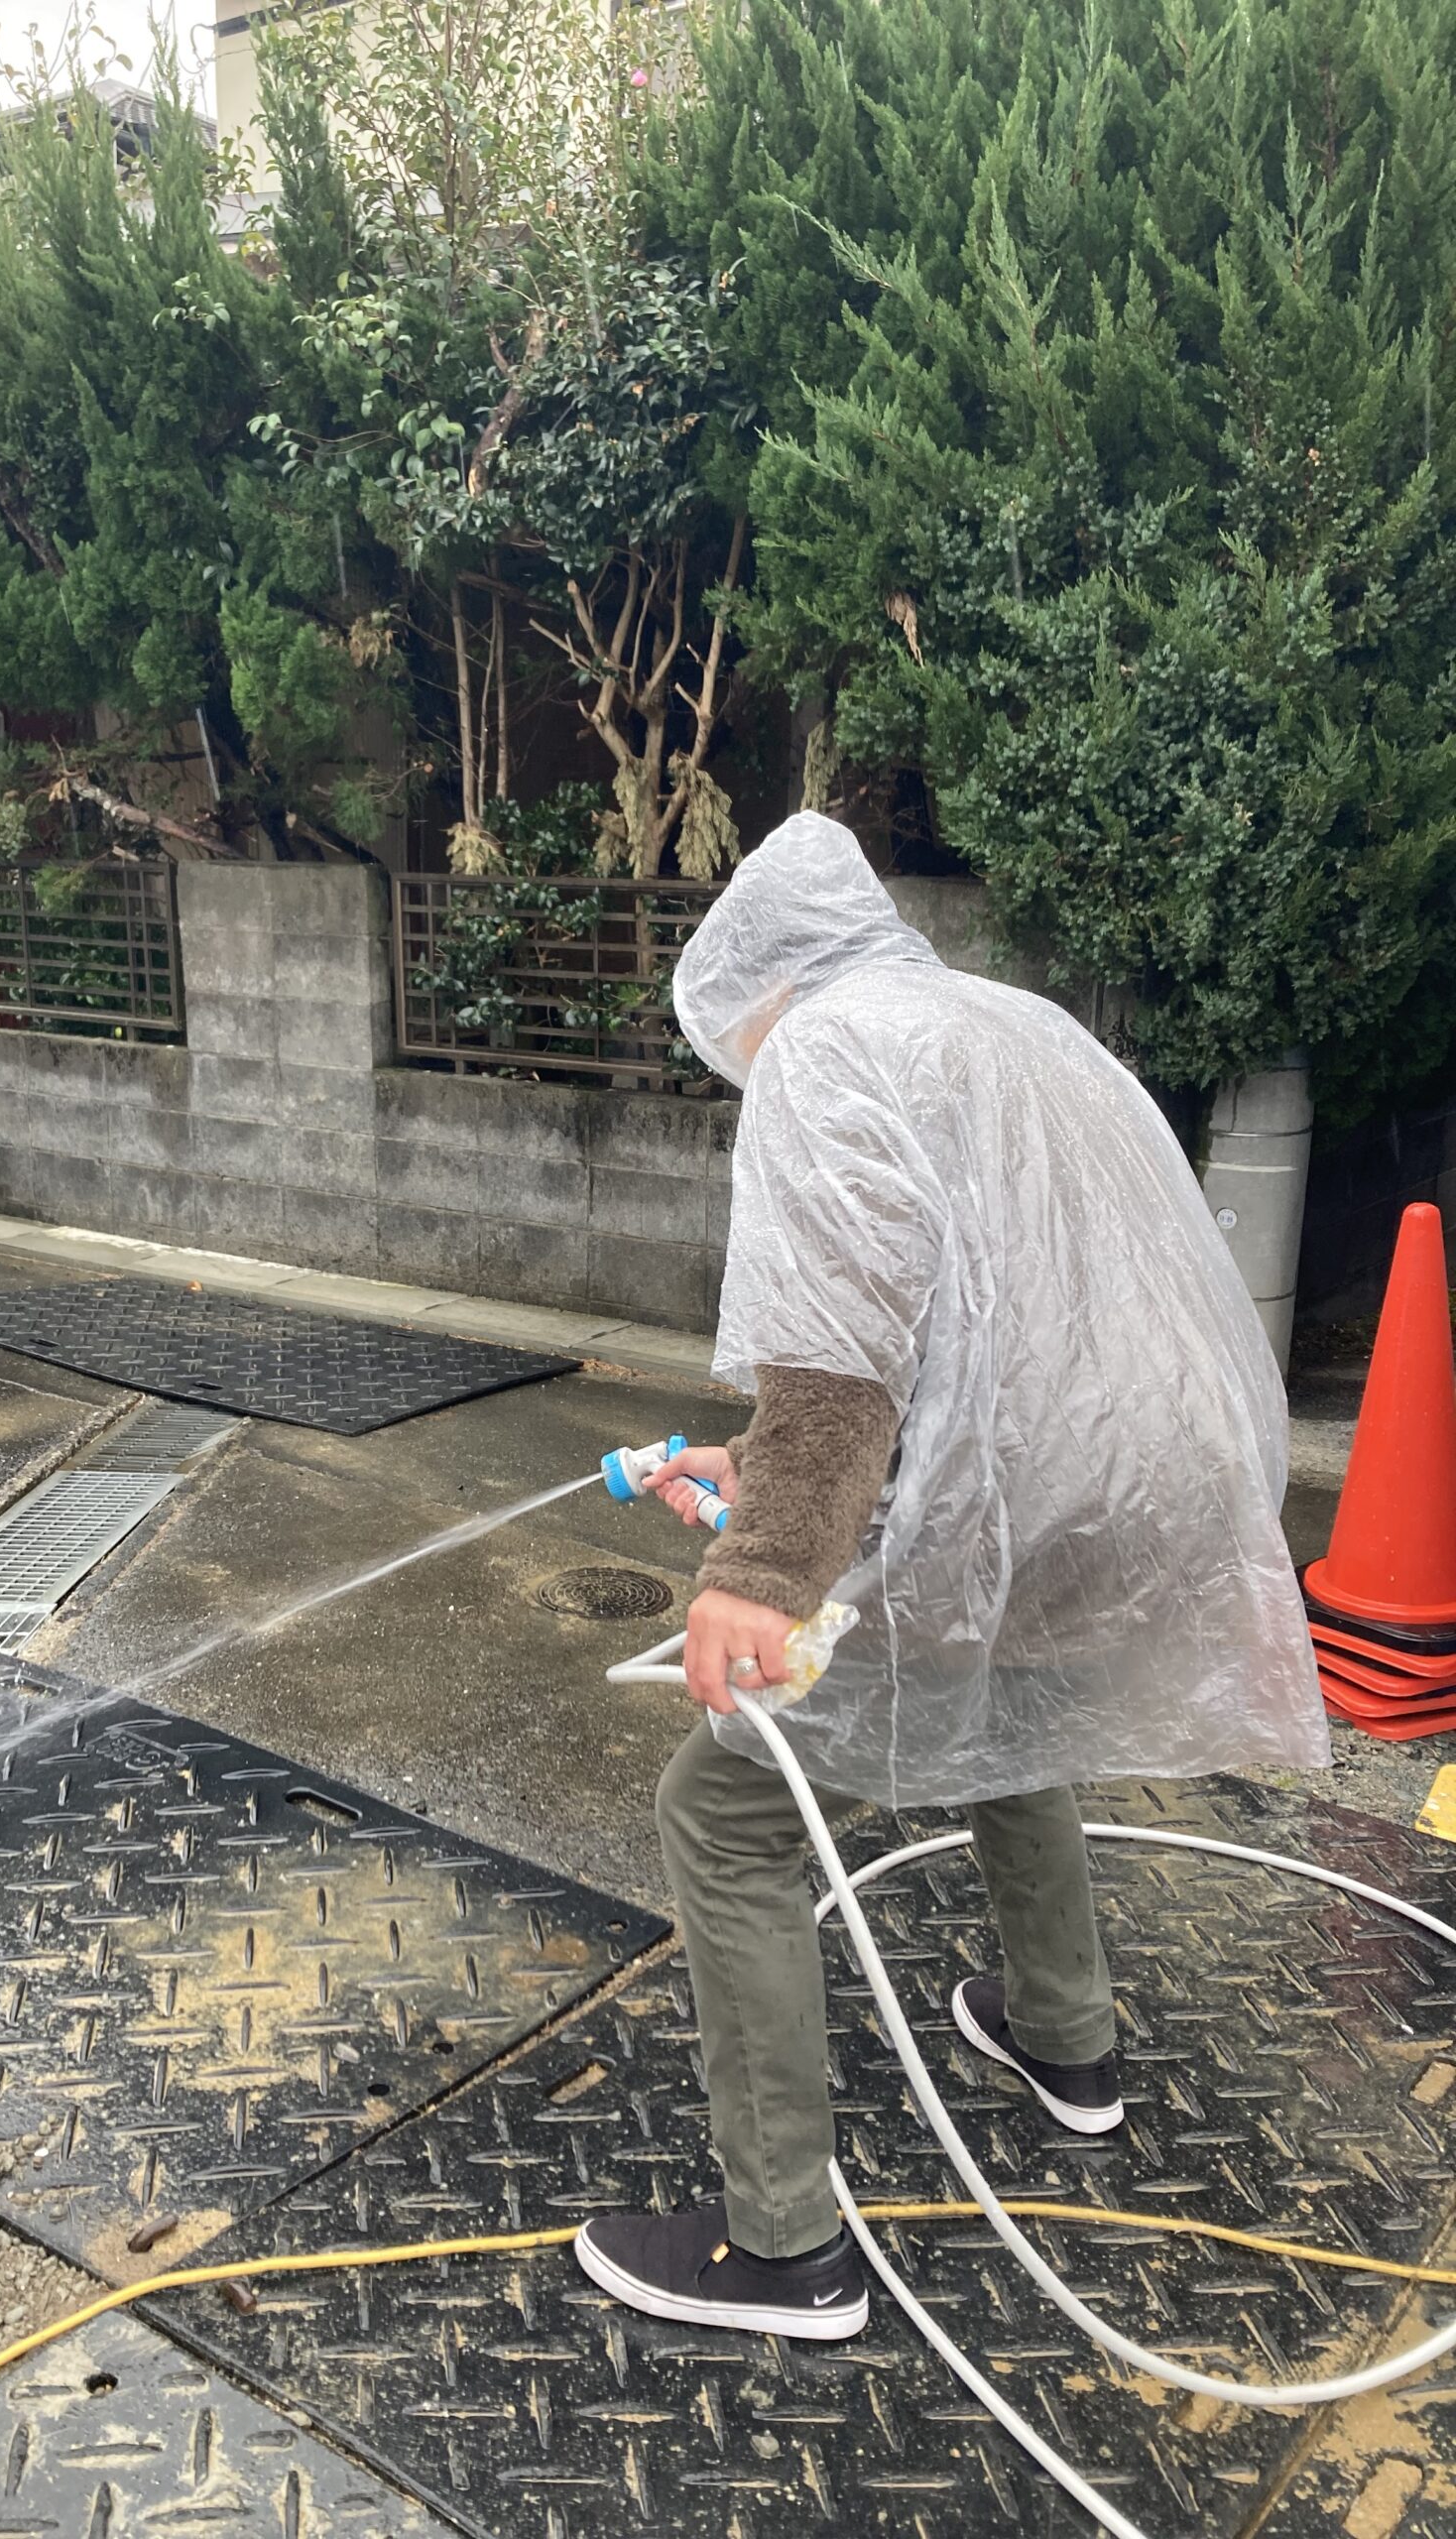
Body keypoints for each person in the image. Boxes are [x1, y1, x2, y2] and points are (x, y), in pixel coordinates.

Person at [572, 812, 1328, 2341]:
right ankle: (1069, 2044)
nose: (742, 1066)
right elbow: (982, 1322)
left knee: (720, 1818)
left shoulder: (827, 1051)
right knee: (1001, 1711)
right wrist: (764, 1470)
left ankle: (780, 2247)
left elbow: (844, 1330)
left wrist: (765, 1569)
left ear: (756, 992)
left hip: (1025, 1495)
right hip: (1146, 1473)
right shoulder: (1013, 1024)